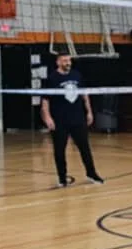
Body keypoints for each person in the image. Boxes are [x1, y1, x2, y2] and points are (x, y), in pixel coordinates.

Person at [40, 51, 104, 188]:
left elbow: (84, 95)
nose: (68, 63)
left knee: (84, 148)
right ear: (58, 62)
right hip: (59, 120)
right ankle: (62, 178)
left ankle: (91, 173)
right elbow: (45, 101)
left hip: (77, 118)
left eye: (69, 60)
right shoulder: (51, 78)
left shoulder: (77, 75)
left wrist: (89, 112)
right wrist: (47, 117)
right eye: (64, 60)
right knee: (59, 150)